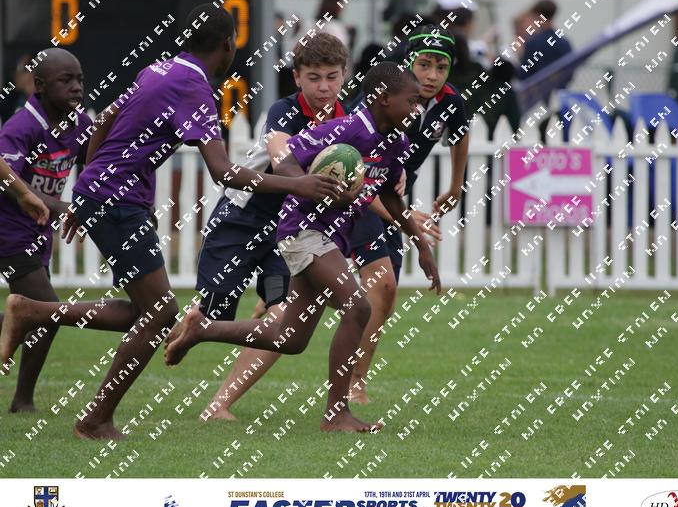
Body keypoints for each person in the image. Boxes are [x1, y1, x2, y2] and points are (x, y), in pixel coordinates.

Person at [0, 4, 340, 440]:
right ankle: (94, 418)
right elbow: (223, 172)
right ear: (227, 45)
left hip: (109, 195)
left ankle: (35, 312)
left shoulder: (157, 69)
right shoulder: (195, 88)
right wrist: (299, 185)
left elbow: (103, 121)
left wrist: (89, 183)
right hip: (117, 200)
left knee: (150, 312)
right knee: (160, 312)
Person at [164, 62, 441, 433]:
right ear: (384, 99)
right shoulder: (347, 129)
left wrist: (420, 243)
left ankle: (203, 329)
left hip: (331, 239)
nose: (417, 109)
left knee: (290, 338)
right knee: (358, 306)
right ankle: (336, 415)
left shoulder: (396, 142)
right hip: (302, 230)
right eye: (411, 101)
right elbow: (287, 156)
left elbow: (390, 195)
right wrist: (306, 184)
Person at [197, 32, 351, 421]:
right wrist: (307, 183)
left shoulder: (347, 119)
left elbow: (362, 172)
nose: (324, 86)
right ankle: (187, 328)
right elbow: (281, 157)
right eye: (314, 77)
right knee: (214, 319)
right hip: (242, 219)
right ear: (297, 77)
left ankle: (218, 405)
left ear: (344, 75)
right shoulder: (285, 110)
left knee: (282, 318)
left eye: (332, 76)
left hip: (290, 231)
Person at [347, 25, 470, 403]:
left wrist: (455, 186)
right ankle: (351, 384)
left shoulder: (451, 101)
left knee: (385, 292)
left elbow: (461, 132)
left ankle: (356, 380)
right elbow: (354, 167)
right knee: (377, 285)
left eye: (441, 68)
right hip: (355, 194)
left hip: (393, 197)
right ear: (408, 64)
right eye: (424, 65)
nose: (432, 76)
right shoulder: (384, 97)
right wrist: (404, 217)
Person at [0, 48, 93, 414]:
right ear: (39, 85)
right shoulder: (22, 126)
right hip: (9, 230)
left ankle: (22, 400)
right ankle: (23, 401)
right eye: (65, 81)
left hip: (37, 233)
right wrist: (61, 207)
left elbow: (99, 162)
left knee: (38, 314)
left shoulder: (78, 124)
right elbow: (6, 174)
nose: (76, 87)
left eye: (79, 80)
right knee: (47, 311)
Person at [516, 0, 573, 84]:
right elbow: (569, 72)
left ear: (537, 15)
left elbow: (524, 73)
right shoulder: (564, 42)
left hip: (536, 89)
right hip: (558, 89)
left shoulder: (533, 42)